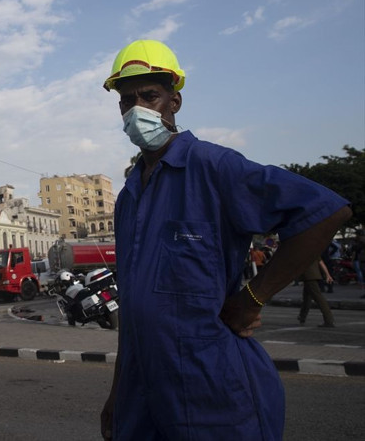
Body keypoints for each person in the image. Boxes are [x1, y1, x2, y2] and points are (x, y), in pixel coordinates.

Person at [98, 40, 351, 441]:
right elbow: (134, 310)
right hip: (142, 395)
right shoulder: (129, 194)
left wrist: (253, 297)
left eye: (151, 96)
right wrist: (116, 394)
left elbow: (325, 211)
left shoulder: (213, 167)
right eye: (128, 99)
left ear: (174, 102)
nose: (138, 108)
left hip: (211, 390)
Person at [298, 258, 335, 327]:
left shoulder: (302, 251)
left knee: (318, 298)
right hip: (313, 275)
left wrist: (328, 275)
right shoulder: (313, 250)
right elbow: (321, 263)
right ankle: (302, 316)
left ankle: (329, 320)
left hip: (308, 276)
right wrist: (328, 275)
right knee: (307, 298)